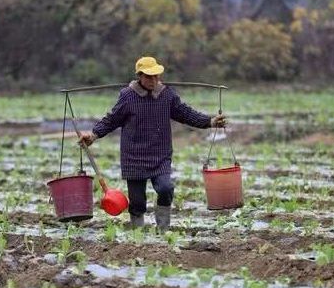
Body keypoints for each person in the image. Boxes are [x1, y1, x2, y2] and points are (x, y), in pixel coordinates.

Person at [79, 56, 226, 231]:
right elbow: (112, 119)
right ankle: (138, 234)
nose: (154, 80)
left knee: (165, 188)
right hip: (133, 156)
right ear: (139, 76)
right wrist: (94, 135)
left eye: (156, 76)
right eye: (149, 77)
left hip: (160, 154)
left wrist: (210, 122)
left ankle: (163, 229)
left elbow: (186, 114)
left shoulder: (167, 95)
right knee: (138, 201)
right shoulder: (127, 96)